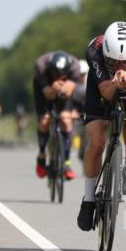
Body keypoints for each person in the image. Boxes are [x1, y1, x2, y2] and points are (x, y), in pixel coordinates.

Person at [77, 21, 126, 231]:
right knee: (97, 140)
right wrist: (114, 82)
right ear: (105, 52)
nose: (119, 66)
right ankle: (88, 200)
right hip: (101, 85)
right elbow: (106, 92)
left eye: (125, 62)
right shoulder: (94, 50)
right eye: (112, 61)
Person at [32, 50, 81, 180]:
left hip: (65, 88)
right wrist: (53, 89)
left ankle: (67, 162)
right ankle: (42, 155)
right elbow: (48, 94)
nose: (59, 78)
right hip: (44, 88)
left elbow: (69, 90)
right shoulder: (41, 65)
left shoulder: (75, 66)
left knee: (66, 120)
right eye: (56, 75)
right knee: (45, 121)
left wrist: (63, 88)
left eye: (62, 75)